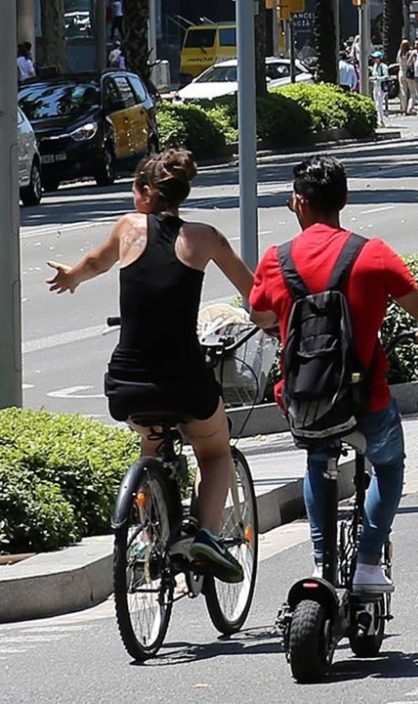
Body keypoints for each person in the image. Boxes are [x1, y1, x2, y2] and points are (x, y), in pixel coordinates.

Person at [46, 149, 253, 583]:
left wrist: (70, 276)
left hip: (127, 383)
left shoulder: (127, 228)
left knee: (151, 439)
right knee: (215, 451)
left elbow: (93, 264)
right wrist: (271, 320)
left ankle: (148, 531)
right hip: (185, 379)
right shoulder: (206, 237)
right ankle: (205, 536)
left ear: (143, 192)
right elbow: (256, 294)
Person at [249, 157, 418, 591]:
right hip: (365, 397)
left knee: (317, 460)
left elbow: (260, 315)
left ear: (299, 203)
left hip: (305, 400)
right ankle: (368, 564)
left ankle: (322, 565)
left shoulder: (277, 259)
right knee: (388, 465)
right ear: (344, 198)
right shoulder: (373, 253)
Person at [369, 50, 389, 127]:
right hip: (375, 87)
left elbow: (386, 77)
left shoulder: (383, 66)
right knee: (376, 104)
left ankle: (381, 120)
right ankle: (378, 120)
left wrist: (377, 78)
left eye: (376, 57)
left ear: (380, 58)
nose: (374, 59)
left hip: (382, 87)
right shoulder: (374, 66)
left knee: (379, 104)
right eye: (374, 58)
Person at [397, 39, 415, 115]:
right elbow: (412, 62)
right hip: (408, 73)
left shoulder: (400, 53)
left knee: (403, 91)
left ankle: (403, 108)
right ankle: (410, 108)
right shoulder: (410, 53)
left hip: (401, 72)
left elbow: (397, 61)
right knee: (412, 92)